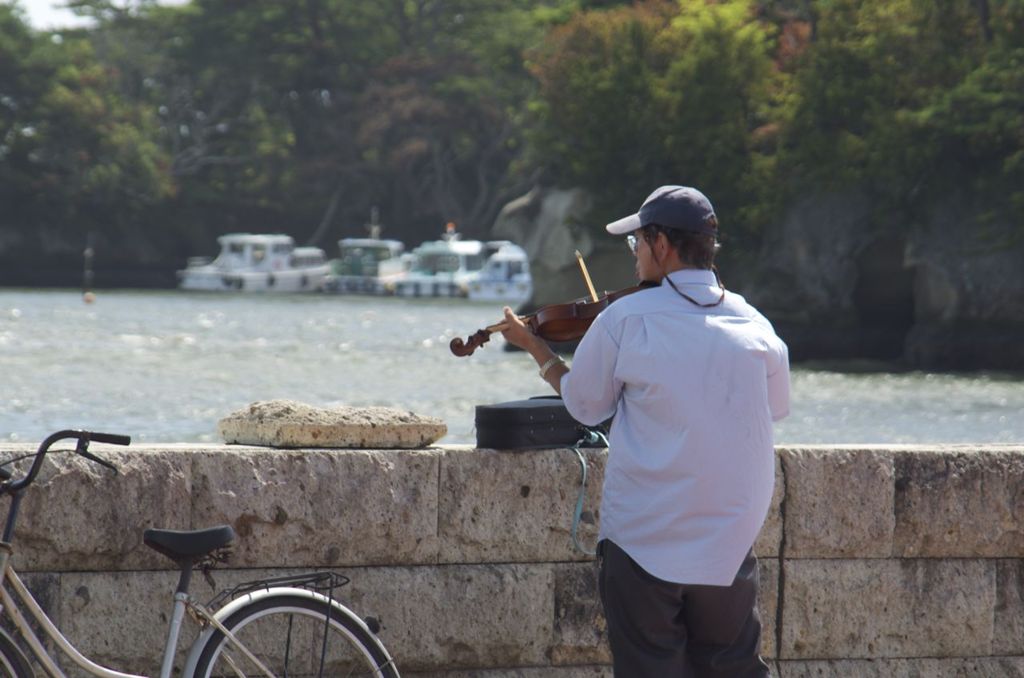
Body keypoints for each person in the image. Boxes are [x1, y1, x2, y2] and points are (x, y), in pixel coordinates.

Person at [500, 185, 790, 677]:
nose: (634, 255)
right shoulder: (756, 325)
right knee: (733, 668)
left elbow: (586, 407)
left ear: (661, 245)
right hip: (728, 543)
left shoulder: (624, 320)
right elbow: (775, 408)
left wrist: (538, 350)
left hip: (645, 541)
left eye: (636, 243)